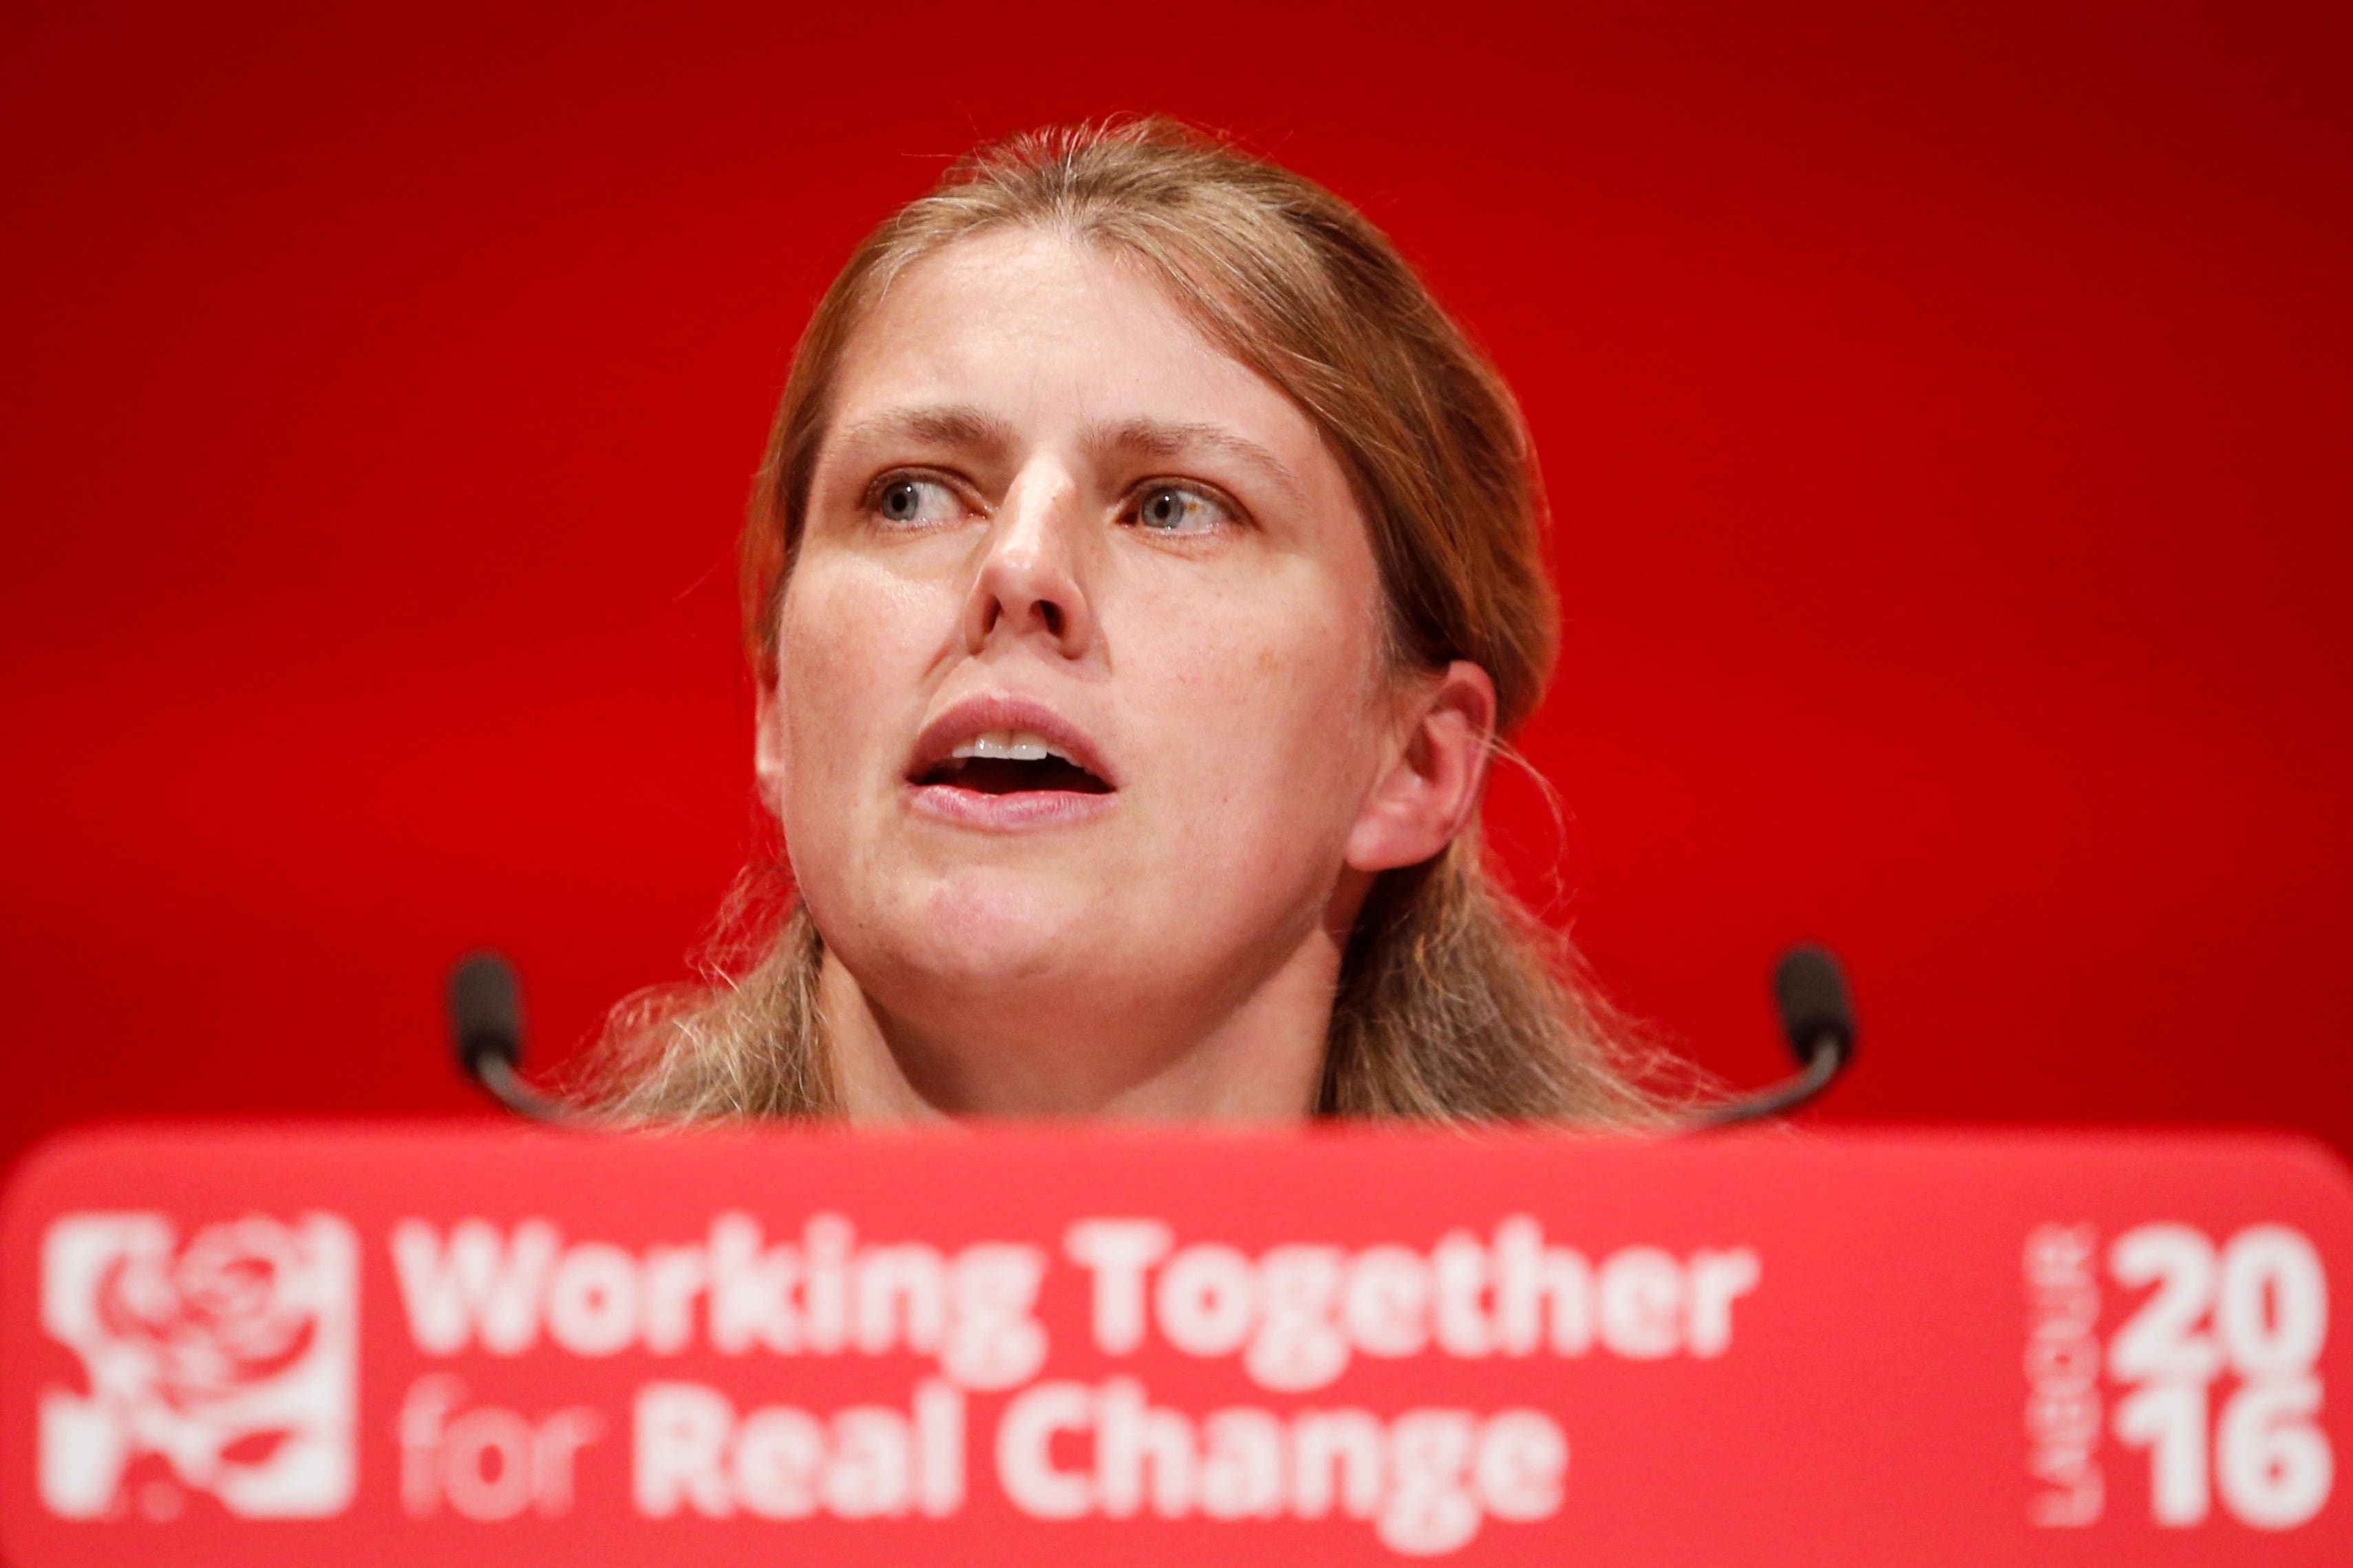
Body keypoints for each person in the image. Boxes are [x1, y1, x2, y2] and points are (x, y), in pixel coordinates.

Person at [588, 118, 1674, 1127]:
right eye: (913, 495)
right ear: (777, 702)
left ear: (1417, 764)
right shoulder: (511, 1316)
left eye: (1174, 506)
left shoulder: (1633, 1326)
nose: (1018, 567)